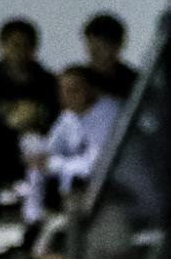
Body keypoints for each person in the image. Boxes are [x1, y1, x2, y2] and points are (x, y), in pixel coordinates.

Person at [0, 19, 58, 204]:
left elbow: (58, 114)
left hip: (37, 143)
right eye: (14, 45)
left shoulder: (47, 81)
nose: (19, 51)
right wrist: (6, 116)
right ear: (3, 46)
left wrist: (36, 117)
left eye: (26, 45)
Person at [23, 67, 118, 225]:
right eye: (63, 90)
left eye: (74, 89)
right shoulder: (69, 116)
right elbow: (49, 151)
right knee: (37, 165)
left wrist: (52, 164)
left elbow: (97, 166)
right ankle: (33, 219)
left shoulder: (109, 114)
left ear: (91, 90)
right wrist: (39, 157)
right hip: (76, 190)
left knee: (74, 177)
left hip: (115, 190)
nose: (67, 95)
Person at [82, 12, 138, 101]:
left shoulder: (136, 84)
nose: (92, 53)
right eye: (90, 47)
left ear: (117, 46)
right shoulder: (80, 83)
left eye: (99, 48)